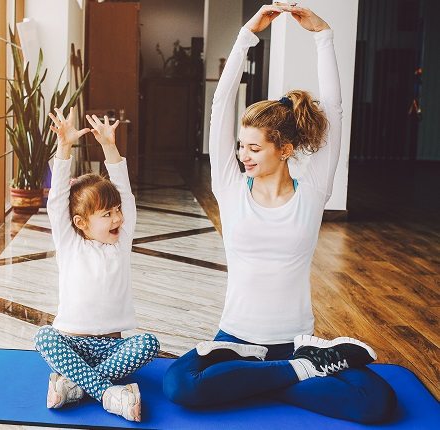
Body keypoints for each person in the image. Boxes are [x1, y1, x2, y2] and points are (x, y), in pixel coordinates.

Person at [162, 3, 397, 423]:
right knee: (179, 384)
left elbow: (336, 112)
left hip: (293, 340)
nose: (242, 155)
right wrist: (246, 35)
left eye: (254, 148)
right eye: (241, 146)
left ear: (285, 150)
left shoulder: (313, 190)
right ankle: (301, 371)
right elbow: (220, 106)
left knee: (375, 402)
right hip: (233, 339)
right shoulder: (231, 189)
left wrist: (324, 35)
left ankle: (267, 374)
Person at [33, 108, 159, 422]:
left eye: (117, 211)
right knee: (42, 337)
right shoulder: (70, 242)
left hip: (112, 348)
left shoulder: (121, 242)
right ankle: (107, 393)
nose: (117, 218)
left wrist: (109, 147)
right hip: (70, 342)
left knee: (148, 343)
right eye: (107, 214)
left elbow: (125, 193)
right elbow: (57, 199)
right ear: (81, 223)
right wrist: (64, 147)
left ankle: (76, 385)